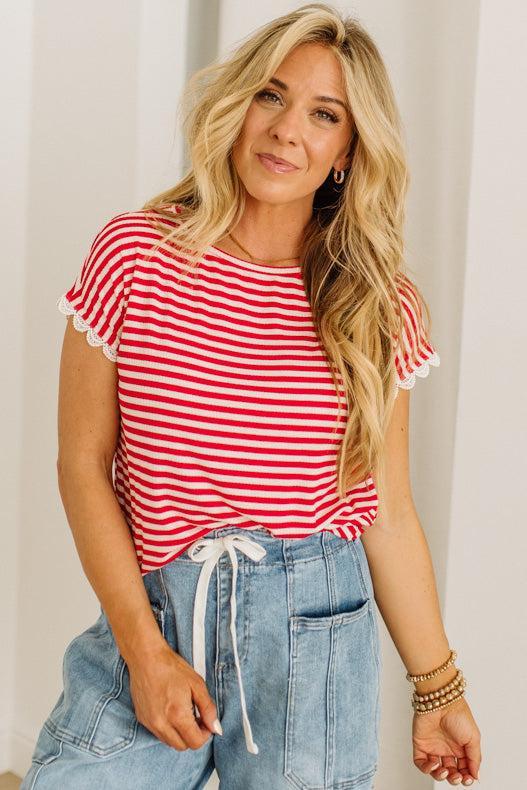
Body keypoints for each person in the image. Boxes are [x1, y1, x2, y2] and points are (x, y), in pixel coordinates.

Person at [21, 3, 482, 789]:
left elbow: (388, 513)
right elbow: (82, 464)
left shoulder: (375, 305)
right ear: (237, 106)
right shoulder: (134, 254)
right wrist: (142, 649)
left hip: (315, 635)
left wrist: (436, 688)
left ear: (346, 151)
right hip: (158, 612)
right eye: (270, 95)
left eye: (323, 114)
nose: (286, 129)